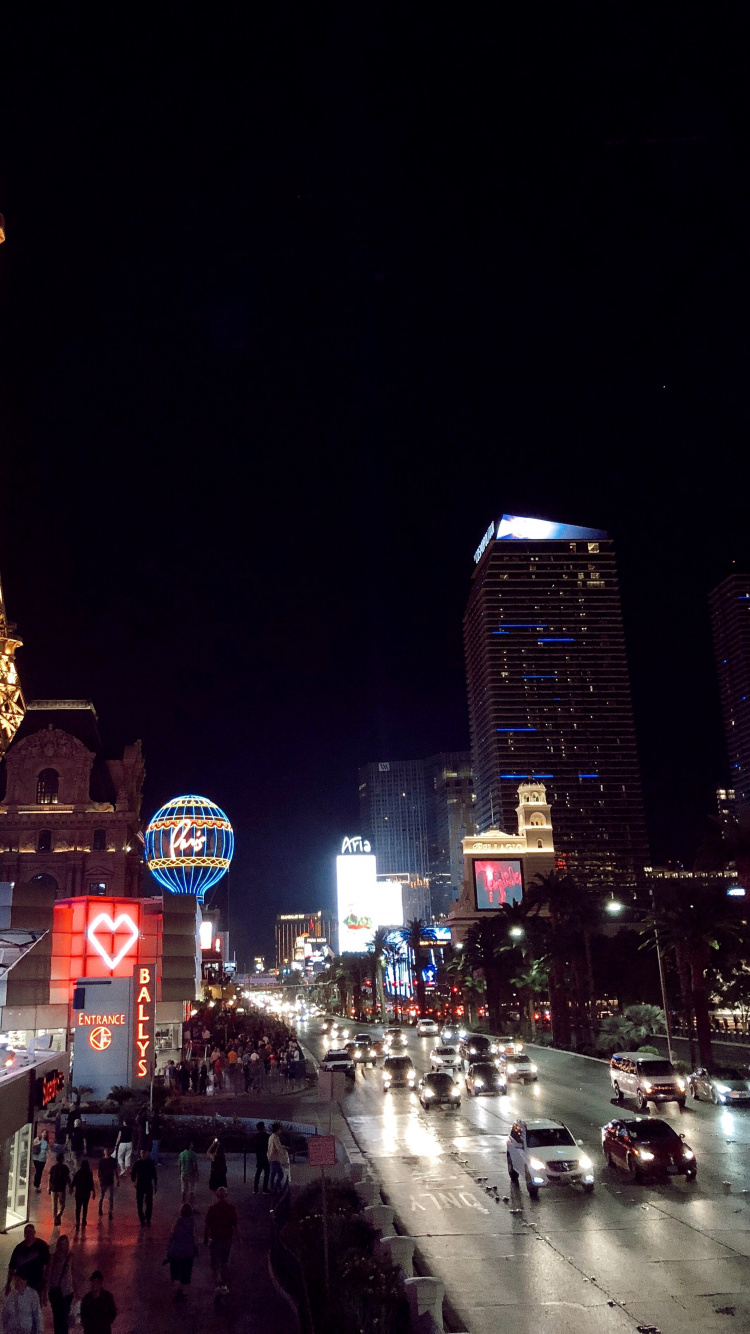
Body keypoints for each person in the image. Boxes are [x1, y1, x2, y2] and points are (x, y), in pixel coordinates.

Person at [203, 1186, 238, 1295]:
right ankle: (223, 1285)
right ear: (226, 1196)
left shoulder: (212, 1208)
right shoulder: (230, 1208)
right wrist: (238, 1238)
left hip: (215, 1239)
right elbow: (235, 1225)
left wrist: (205, 1238)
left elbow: (207, 1225)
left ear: (216, 1196)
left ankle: (216, 1285)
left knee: (214, 1263)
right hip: (227, 1238)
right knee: (224, 1262)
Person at [6, 1225, 50, 1305]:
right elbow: (12, 1266)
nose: (28, 1234)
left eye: (30, 1232)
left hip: (36, 1283)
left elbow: (47, 1266)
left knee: (35, 1306)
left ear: (34, 1232)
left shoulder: (41, 1246)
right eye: (26, 1232)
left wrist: (45, 1288)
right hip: (22, 1284)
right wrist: (8, 1284)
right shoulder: (19, 1248)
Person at [166, 1204, 197, 1301]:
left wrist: (168, 1248)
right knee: (186, 1272)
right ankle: (182, 1290)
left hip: (176, 1251)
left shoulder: (177, 1222)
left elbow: (171, 1235)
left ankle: (176, 1290)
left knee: (175, 1272)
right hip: (188, 1252)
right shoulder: (192, 1223)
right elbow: (194, 1237)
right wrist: (195, 1248)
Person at [48, 1235, 77, 1334]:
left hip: (67, 1292)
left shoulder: (70, 1257)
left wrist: (76, 1290)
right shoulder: (53, 1258)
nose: (62, 1246)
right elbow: (49, 1274)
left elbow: (73, 1273)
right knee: (57, 1317)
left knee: (64, 1317)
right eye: (60, 1244)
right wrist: (47, 1289)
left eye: (64, 1244)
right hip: (55, 1291)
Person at [131, 1149, 157, 1225]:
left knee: (149, 1203)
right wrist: (134, 1181)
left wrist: (155, 1184)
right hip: (140, 1185)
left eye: (144, 1153)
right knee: (139, 1203)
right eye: (142, 1153)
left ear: (147, 1153)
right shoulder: (137, 1163)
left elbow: (154, 1174)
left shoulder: (150, 1163)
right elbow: (133, 1173)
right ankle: (142, 1220)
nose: (143, 1154)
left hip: (148, 1184)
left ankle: (148, 1218)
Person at [71, 1160, 96, 1230]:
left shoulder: (78, 1173)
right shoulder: (89, 1173)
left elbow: (74, 1181)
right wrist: (94, 1192)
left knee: (78, 1207)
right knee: (85, 1207)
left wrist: (71, 1188)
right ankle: (84, 1220)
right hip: (86, 1193)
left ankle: (77, 1220)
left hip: (79, 1193)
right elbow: (91, 1183)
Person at [49, 1154, 71, 1227]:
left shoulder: (53, 1167)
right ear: (62, 1159)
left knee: (54, 1204)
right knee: (62, 1204)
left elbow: (50, 1178)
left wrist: (49, 1187)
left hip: (53, 1188)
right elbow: (68, 1178)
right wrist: (70, 1186)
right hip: (61, 1188)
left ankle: (55, 1219)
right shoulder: (65, 1167)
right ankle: (58, 1215)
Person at [97, 1150, 119, 1219]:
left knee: (103, 1196)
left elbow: (99, 1171)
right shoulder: (112, 1160)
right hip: (108, 1180)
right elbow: (115, 1170)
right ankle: (108, 1211)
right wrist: (118, 1179)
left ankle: (103, 1210)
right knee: (109, 1197)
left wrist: (99, 1179)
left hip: (106, 1180)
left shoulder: (102, 1160)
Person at [268, 1122, 289, 1192]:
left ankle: (272, 1187)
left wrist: (284, 1147)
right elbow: (278, 1148)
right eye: (280, 1129)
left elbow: (276, 1146)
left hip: (270, 1157)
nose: (280, 1130)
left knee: (273, 1174)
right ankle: (275, 1188)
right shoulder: (276, 1138)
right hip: (275, 1158)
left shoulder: (271, 1137)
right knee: (280, 1175)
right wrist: (284, 1159)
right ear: (277, 1130)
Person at [250, 1121, 269, 1194]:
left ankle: (255, 1189)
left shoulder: (255, 1136)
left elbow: (253, 1145)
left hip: (258, 1155)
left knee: (258, 1172)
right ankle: (265, 1189)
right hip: (265, 1155)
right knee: (267, 1172)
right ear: (263, 1127)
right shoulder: (267, 1136)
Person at [178, 1141, 199, 1206]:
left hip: (183, 1173)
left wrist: (180, 1173)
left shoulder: (181, 1154)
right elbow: (194, 1165)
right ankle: (191, 1205)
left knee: (184, 1189)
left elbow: (180, 1164)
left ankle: (183, 1203)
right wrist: (196, 1173)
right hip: (191, 1174)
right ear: (189, 1145)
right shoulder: (192, 1154)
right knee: (192, 1190)